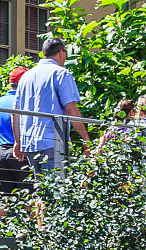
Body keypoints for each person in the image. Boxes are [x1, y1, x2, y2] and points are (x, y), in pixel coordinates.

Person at [11, 37, 93, 171]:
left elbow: (15, 112)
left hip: (30, 142)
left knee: (40, 188)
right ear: (61, 53)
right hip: (53, 141)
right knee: (56, 187)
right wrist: (86, 140)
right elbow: (71, 109)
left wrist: (18, 142)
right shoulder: (61, 73)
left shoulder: (27, 76)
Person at [0, 65, 31, 235]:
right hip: (20, 154)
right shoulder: (24, 102)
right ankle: (33, 236)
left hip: (0, 154)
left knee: (6, 198)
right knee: (30, 196)